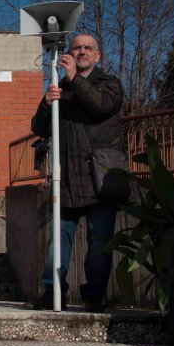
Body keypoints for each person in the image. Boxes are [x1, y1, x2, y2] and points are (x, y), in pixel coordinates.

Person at [25, 34, 125, 313]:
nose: (81, 52)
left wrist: (73, 78)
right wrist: (47, 102)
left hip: (100, 180)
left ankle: (94, 297)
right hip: (67, 178)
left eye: (87, 48)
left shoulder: (109, 84)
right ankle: (53, 292)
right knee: (57, 241)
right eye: (76, 47)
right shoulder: (62, 87)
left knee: (98, 245)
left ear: (98, 55)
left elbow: (100, 106)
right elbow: (39, 128)